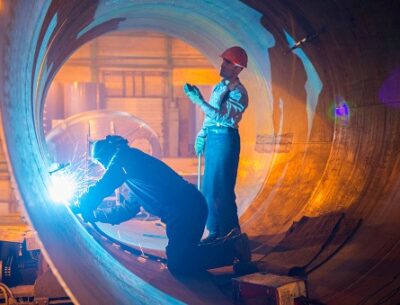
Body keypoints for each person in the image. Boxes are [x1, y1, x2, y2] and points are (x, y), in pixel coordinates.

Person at [73, 135, 252, 275]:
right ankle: (229, 242)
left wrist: (82, 203)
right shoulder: (133, 178)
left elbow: (105, 184)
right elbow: (126, 210)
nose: (103, 166)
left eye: (101, 161)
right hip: (184, 211)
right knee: (182, 255)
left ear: (108, 154)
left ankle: (232, 248)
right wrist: (96, 214)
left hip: (187, 209)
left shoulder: (125, 157)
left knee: (179, 264)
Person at [184, 46, 248, 243]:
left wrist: (198, 101)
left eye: (227, 62)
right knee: (209, 189)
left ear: (237, 68)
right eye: (224, 61)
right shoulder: (219, 87)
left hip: (225, 139)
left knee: (222, 189)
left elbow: (222, 116)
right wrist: (202, 134)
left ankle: (230, 233)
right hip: (213, 138)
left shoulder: (239, 93)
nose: (223, 64)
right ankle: (214, 231)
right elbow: (210, 116)